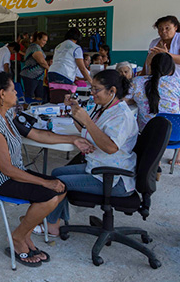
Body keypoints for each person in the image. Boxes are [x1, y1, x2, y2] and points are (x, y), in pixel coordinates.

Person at [0, 72, 93, 266]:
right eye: (13, 90)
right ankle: (18, 238)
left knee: (61, 189)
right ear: (2, 94)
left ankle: (25, 232)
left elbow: (37, 134)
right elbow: (7, 170)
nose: (16, 93)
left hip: (13, 173)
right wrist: (45, 182)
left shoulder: (7, 115)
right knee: (50, 193)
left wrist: (73, 139)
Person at [43, 70, 138, 237]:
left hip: (114, 178)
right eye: (91, 89)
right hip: (99, 166)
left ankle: (51, 226)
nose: (92, 94)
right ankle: (57, 219)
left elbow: (110, 147)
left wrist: (86, 119)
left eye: (96, 89)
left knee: (57, 182)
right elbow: (88, 131)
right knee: (56, 173)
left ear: (112, 91)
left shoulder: (122, 115)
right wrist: (75, 112)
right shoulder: (104, 108)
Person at [126, 53, 180, 132]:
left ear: (150, 66)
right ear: (172, 70)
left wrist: (138, 99)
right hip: (176, 135)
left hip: (148, 137)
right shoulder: (177, 82)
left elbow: (123, 101)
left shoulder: (137, 81)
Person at [48, 28, 92, 102]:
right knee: (66, 100)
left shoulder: (58, 46)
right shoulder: (76, 48)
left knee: (55, 97)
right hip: (64, 74)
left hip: (52, 73)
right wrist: (91, 82)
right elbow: (82, 68)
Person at [20, 32, 49, 100]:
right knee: (29, 96)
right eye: (44, 40)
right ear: (38, 39)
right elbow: (41, 61)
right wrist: (49, 69)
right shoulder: (34, 47)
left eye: (46, 41)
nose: (45, 42)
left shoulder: (38, 47)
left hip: (38, 77)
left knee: (39, 96)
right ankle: (26, 109)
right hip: (30, 75)